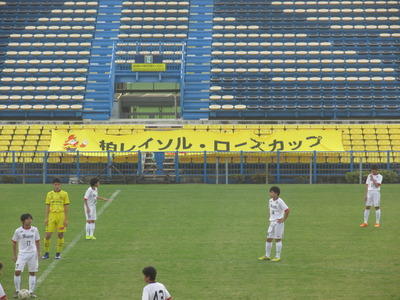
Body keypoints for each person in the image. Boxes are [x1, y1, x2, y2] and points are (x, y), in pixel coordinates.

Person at [258, 186, 290, 262]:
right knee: (268, 239)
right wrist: (270, 219)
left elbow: (287, 210)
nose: (270, 193)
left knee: (278, 239)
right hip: (272, 222)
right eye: (270, 192)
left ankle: (277, 256)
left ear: (276, 193)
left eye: (271, 192)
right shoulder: (270, 201)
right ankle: (267, 256)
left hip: (278, 222)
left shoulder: (280, 201)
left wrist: (283, 219)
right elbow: (270, 210)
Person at [12, 214, 40, 298]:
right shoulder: (18, 231)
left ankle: (31, 292)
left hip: (33, 254)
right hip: (22, 254)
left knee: (32, 272)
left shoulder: (35, 230)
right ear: (23, 221)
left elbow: (37, 241)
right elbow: (14, 242)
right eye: (27, 219)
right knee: (17, 271)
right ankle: (17, 291)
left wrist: (39, 253)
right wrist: (14, 255)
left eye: (30, 219)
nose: (30, 220)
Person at [42, 178, 70, 260]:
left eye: (58, 184)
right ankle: (46, 253)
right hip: (51, 216)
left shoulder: (64, 194)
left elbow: (66, 206)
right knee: (47, 235)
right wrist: (46, 218)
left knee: (60, 234)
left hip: (61, 216)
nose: (57, 186)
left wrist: (66, 219)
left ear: (60, 185)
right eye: (55, 184)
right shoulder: (49, 194)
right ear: (53, 185)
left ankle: (58, 253)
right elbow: (47, 206)